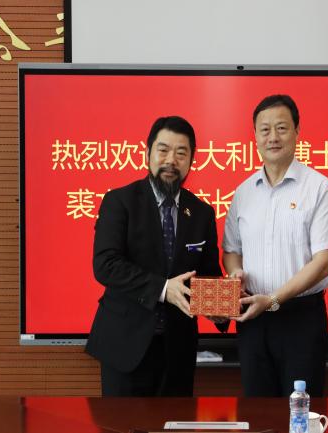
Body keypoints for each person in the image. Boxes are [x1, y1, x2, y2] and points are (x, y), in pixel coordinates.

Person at [222, 95, 328, 397]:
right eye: (264, 130)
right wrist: (235, 273)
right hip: (252, 320)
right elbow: (231, 250)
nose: (273, 137)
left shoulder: (319, 188)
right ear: (255, 136)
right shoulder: (243, 192)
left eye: (281, 128)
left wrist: (273, 300)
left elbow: (323, 263)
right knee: (257, 410)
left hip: (300, 319)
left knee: (301, 411)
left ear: (296, 131)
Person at [86, 115, 222, 396]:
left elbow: (208, 274)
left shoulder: (202, 213)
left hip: (178, 351)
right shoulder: (119, 201)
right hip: (125, 345)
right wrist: (163, 289)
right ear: (147, 153)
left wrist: (222, 306)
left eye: (181, 153)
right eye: (163, 150)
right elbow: (106, 264)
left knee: (175, 420)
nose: (171, 160)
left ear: (191, 160)